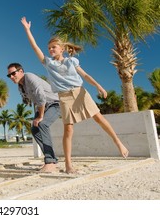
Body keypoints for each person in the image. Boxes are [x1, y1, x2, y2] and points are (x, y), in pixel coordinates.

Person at [20, 16, 129, 173]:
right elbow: (34, 47)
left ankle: (118, 142)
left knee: (99, 118)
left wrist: (98, 86)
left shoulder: (72, 61)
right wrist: (27, 30)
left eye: (54, 47)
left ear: (61, 48)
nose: (51, 50)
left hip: (79, 93)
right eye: (49, 48)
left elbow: (85, 75)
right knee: (68, 130)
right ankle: (68, 165)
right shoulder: (48, 64)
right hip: (64, 97)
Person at [7, 62, 61, 172]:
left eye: (13, 73)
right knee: (34, 129)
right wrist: (38, 114)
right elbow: (34, 101)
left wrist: (40, 116)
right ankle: (52, 158)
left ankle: (50, 161)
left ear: (21, 71)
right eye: (9, 75)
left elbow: (41, 97)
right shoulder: (20, 87)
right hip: (42, 107)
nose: (11, 77)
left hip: (55, 103)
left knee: (43, 124)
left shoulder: (30, 77)